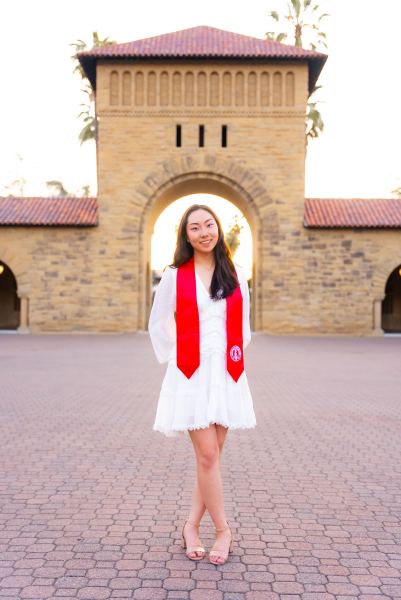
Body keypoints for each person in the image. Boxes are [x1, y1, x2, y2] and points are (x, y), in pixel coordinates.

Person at [148, 203, 256, 565]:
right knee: (209, 455)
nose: (204, 232)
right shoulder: (175, 276)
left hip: (226, 372)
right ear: (186, 235)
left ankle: (190, 525)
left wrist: (234, 356)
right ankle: (224, 530)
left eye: (209, 224)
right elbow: (159, 322)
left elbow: (243, 325)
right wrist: (178, 354)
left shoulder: (236, 273)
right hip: (191, 371)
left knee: (209, 458)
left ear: (218, 229)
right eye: (195, 227)